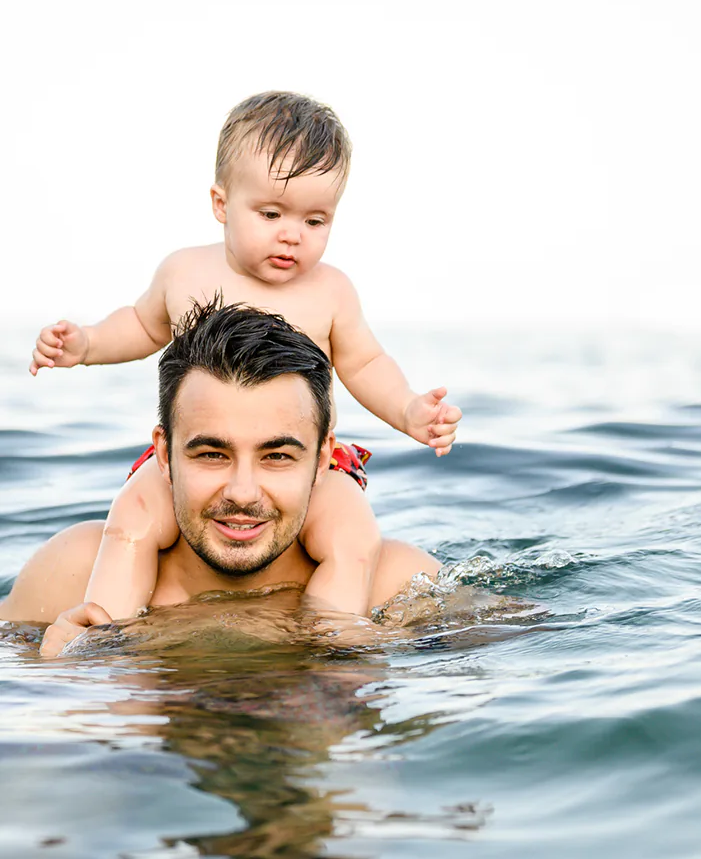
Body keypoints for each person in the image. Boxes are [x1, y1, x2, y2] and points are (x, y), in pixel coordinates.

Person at [27, 91, 460, 622]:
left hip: (303, 463)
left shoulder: (330, 290)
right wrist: (88, 345)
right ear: (221, 204)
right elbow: (142, 324)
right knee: (131, 520)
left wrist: (409, 410)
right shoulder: (185, 271)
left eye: (315, 221)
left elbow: (365, 364)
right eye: (271, 212)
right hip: (200, 455)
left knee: (354, 536)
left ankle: (335, 638)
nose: (291, 235)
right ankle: (104, 627)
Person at [2, 301, 441, 655]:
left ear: (324, 457)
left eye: (278, 455)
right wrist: (62, 680)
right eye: (212, 454)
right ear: (163, 455)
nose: (242, 492)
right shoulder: (70, 575)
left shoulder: (399, 591)